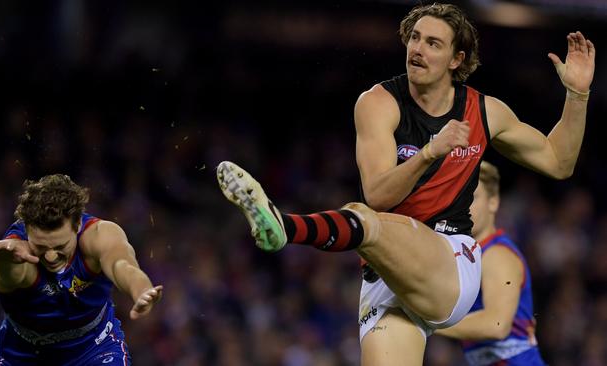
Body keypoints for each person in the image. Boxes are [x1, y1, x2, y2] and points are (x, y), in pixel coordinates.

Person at [217, 2, 594, 365]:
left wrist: (577, 94)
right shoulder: (378, 103)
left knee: (364, 219)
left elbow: (558, 162)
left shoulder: (483, 110)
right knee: (370, 220)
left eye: (433, 43)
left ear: (456, 59)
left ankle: (285, 227)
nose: (418, 49)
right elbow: (380, 193)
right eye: (414, 38)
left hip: (449, 261)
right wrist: (431, 152)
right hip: (386, 275)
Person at [0, 174, 163, 365]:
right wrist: (3, 260)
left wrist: (141, 290)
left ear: (78, 224)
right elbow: (5, 274)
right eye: (40, 247)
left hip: (95, 349)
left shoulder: (99, 236)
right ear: (28, 228)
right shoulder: (13, 254)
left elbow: (121, 265)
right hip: (24, 357)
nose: (50, 257)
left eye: (60, 246)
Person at [435, 161, 545, 365]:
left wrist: (429, 324)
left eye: (473, 197)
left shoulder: (496, 255)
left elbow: (497, 324)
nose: (464, 206)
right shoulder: (467, 256)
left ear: (493, 202)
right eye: (459, 198)